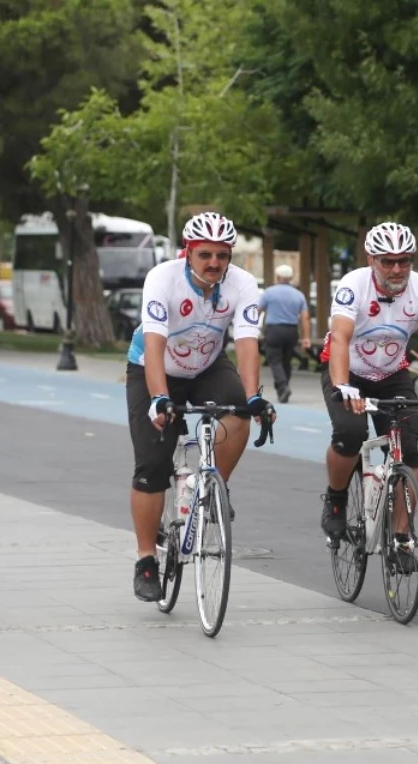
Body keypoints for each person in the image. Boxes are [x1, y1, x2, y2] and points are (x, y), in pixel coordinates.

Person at [126, 212, 273, 602]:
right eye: (205, 254)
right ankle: (145, 559)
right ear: (187, 252)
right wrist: (159, 398)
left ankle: (212, 490)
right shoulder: (163, 278)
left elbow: (245, 342)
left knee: (240, 409)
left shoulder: (242, 284)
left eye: (223, 256)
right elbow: (155, 340)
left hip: (206, 366)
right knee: (152, 466)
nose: (214, 263)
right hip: (154, 368)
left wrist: (254, 394)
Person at [319, 221, 418, 571]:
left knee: (408, 449)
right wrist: (343, 386)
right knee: (351, 433)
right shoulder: (353, 285)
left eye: (404, 261)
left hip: (392, 373)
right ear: (371, 259)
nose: (397, 269)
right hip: (347, 371)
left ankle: (402, 536)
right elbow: (340, 338)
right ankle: (337, 499)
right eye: (388, 261)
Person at [259, 263, 311, 403]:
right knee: (286, 360)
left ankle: (282, 386)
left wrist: (253, 328)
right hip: (291, 331)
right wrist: (306, 337)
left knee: (274, 360)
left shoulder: (269, 292)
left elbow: (258, 310)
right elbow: (305, 317)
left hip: (274, 330)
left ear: (277, 277)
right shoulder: (299, 295)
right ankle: (284, 387)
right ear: (291, 278)